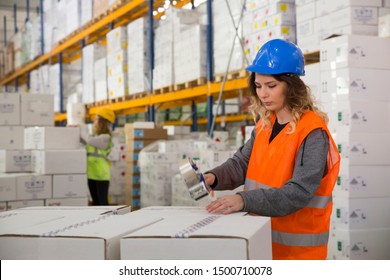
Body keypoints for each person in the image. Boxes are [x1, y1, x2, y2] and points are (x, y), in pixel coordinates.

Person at [204, 39, 340, 260]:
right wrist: (213, 177)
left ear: (291, 85)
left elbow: (298, 192)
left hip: (298, 256)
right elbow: (241, 164)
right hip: (261, 245)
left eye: (271, 86)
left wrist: (244, 200)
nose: (263, 94)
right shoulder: (264, 126)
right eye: (258, 86)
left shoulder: (312, 132)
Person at [80, 107, 115, 206]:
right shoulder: (94, 137)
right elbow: (84, 140)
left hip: (101, 175)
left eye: (96, 119)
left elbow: (90, 141)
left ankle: (108, 221)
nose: (94, 121)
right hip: (91, 174)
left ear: (101, 122)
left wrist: (80, 129)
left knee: (102, 204)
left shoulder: (105, 138)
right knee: (96, 204)